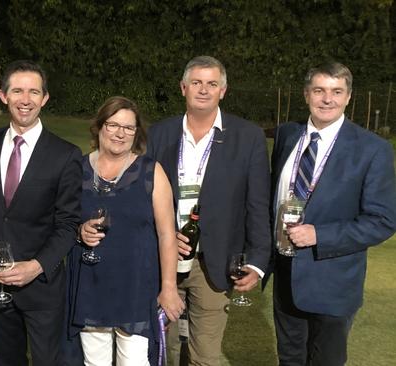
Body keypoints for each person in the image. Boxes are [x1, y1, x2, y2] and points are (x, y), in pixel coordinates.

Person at [146, 55, 271, 365]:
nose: (204, 90)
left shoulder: (248, 136)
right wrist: (162, 237)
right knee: (164, 349)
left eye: (212, 84)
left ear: (223, 91)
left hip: (214, 263)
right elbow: (140, 196)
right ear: (183, 88)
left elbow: (257, 203)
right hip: (164, 258)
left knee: (205, 356)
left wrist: (257, 261)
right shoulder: (158, 133)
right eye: (197, 83)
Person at [269, 62, 396, 366]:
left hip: (333, 280)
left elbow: (383, 220)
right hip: (285, 273)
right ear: (306, 94)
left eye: (336, 92)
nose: (328, 99)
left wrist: (319, 235)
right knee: (289, 359)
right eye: (319, 90)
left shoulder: (372, 149)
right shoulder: (287, 135)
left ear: (349, 97)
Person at [0, 60, 82, 365]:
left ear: (45, 98)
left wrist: (36, 266)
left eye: (34, 92)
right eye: (18, 91)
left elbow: (67, 224)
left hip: (41, 289)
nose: (26, 99)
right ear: (3, 95)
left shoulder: (65, 155)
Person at [71, 96, 183, 365]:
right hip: (90, 282)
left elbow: (168, 234)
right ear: (99, 127)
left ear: (137, 133)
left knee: (132, 360)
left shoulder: (151, 171)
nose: (120, 133)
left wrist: (168, 287)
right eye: (113, 125)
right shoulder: (78, 169)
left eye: (129, 128)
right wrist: (79, 231)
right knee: (93, 361)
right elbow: (64, 221)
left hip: (135, 286)